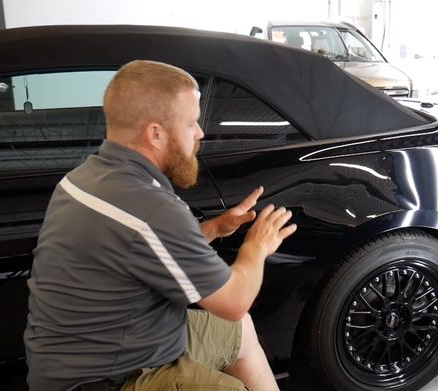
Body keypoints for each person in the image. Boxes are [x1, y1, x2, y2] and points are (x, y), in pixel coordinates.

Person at [23, 60, 296, 391]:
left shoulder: (83, 178)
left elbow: (142, 245)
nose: (200, 134)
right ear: (155, 134)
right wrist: (258, 246)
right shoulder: (151, 208)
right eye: (191, 123)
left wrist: (215, 228)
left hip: (109, 346)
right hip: (107, 379)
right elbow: (234, 302)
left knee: (240, 332)